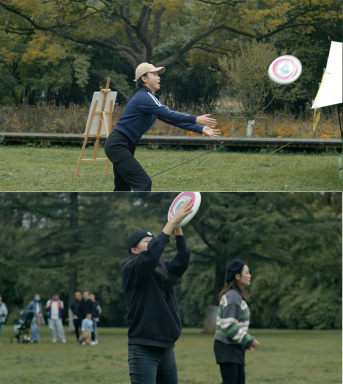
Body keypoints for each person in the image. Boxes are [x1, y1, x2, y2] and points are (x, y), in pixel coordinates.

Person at [104, 62, 220, 192]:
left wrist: (200, 128)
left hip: (123, 144)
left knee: (122, 188)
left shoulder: (151, 99)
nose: (159, 77)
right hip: (117, 144)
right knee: (144, 183)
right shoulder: (144, 97)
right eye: (154, 74)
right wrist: (195, 118)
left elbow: (170, 118)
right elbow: (169, 113)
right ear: (144, 78)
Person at [121, 202, 195, 384]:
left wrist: (178, 226)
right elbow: (152, 254)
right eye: (147, 241)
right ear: (134, 250)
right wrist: (171, 222)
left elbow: (182, 260)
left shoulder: (161, 267)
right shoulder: (130, 268)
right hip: (143, 347)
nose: (153, 243)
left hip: (167, 347)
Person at [214, 259, 261, 384]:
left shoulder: (235, 296)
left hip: (233, 347)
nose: (250, 275)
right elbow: (229, 327)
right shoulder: (233, 297)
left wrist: (244, 344)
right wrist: (249, 340)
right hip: (227, 348)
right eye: (247, 273)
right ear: (237, 276)